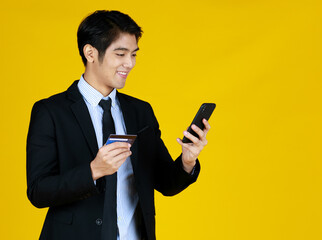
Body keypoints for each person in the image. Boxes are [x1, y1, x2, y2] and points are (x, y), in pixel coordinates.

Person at [26, 10, 211, 240]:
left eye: (133, 54)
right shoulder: (51, 112)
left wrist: (187, 161)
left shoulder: (140, 112)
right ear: (90, 53)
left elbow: (166, 183)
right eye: (121, 54)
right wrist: (93, 171)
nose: (130, 63)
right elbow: (38, 191)